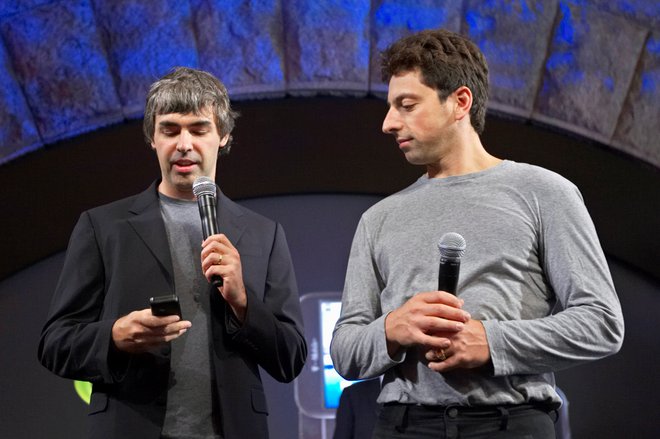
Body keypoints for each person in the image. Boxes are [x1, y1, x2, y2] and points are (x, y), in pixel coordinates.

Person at [330, 29, 624, 439]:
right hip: (403, 426)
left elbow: (601, 322)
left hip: (512, 423)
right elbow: (344, 351)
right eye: (390, 107)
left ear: (460, 102)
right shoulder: (378, 218)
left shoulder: (544, 193)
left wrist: (493, 342)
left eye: (407, 105)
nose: (388, 123)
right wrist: (394, 327)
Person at [38, 67, 307, 439]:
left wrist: (243, 303)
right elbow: (55, 343)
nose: (184, 144)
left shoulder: (264, 234)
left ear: (223, 136)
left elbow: (290, 357)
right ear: (152, 137)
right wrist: (114, 336)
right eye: (170, 130)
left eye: (198, 130)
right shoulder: (103, 226)